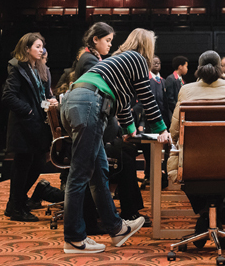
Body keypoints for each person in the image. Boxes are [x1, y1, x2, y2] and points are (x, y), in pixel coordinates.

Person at [60, 28, 171, 254]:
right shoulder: (138, 58)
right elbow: (147, 97)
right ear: (147, 47)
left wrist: (129, 130)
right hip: (89, 104)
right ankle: (73, 238)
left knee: (99, 170)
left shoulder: (119, 60)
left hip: (78, 101)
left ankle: (116, 227)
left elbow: (122, 104)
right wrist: (163, 129)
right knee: (80, 173)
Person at [166, 50, 225, 249]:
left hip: (192, 168)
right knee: (219, 175)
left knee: (195, 173)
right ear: (219, 67)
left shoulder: (186, 91)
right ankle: (212, 220)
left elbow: (174, 133)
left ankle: (205, 217)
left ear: (198, 68)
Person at [2, 32, 58, 222]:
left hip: (39, 126)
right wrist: (29, 111)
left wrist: (51, 100)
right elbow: (8, 96)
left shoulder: (41, 69)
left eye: (42, 46)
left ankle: (14, 203)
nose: (41, 49)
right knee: (23, 166)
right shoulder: (17, 67)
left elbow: (44, 94)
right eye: (37, 46)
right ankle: (17, 208)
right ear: (26, 49)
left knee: (37, 164)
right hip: (25, 126)